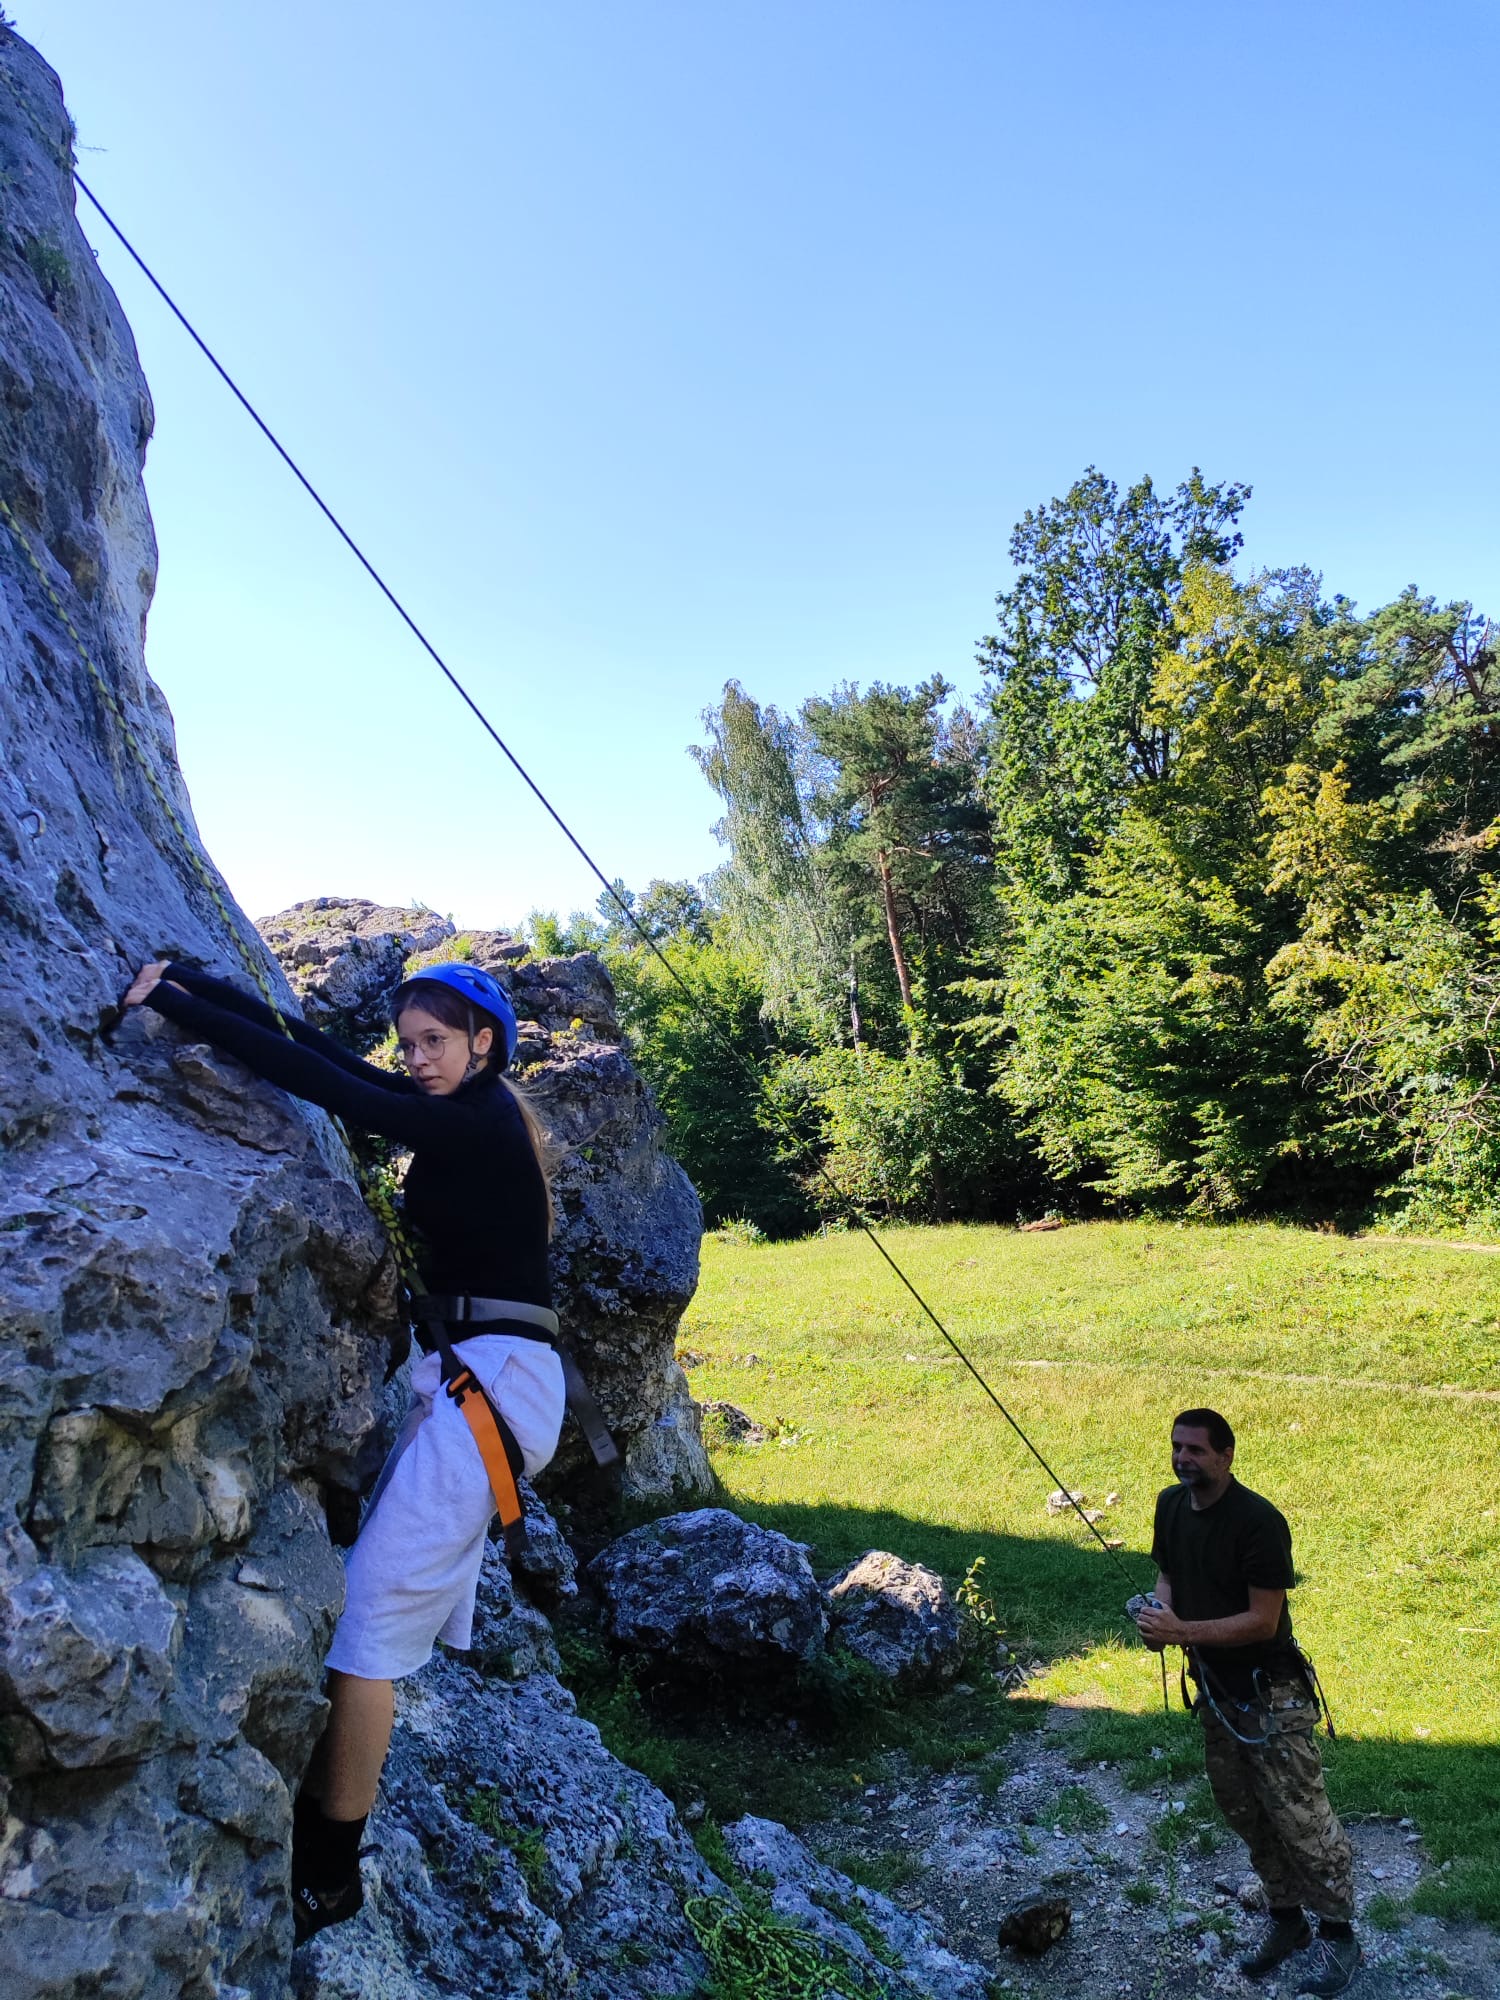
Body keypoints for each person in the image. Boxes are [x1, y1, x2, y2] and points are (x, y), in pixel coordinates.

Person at [122, 955, 566, 1943]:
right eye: (409, 1044)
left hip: (492, 1390)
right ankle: (332, 1833)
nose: (416, 1059)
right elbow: (331, 1056)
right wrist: (193, 980)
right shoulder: (457, 1107)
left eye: (435, 1041)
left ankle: (329, 1869)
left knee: (365, 1626)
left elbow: (329, 1088)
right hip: (473, 1382)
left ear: (484, 1043)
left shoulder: (479, 1120)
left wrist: (175, 1009)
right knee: (374, 1620)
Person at [1136, 1409, 1359, 1997]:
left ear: (1226, 1455)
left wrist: (1182, 1631)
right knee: (1244, 1811)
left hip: (1270, 1693)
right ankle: (1288, 1921)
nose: (1183, 1459)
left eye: (1196, 1450)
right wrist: (1159, 1616)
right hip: (1215, 1690)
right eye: (1177, 1447)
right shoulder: (1169, 1505)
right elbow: (1168, 1576)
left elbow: (1264, 1620)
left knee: (1301, 1817)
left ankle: (1339, 1936)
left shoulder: (1258, 1521)